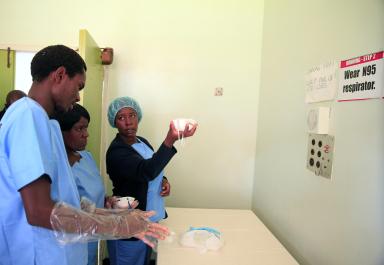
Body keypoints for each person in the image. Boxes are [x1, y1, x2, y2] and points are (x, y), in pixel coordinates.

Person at [0, 45, 169, 265]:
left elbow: (63, 199)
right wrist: (118, 226)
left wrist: (116, 216)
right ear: (60, 75)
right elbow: (40, 211)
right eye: (78, 86)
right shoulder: (28, 116)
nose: (78, 97)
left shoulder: (46, 123)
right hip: (38, 255)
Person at [106, 96, 197, 265]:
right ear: (114, 122)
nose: (128, 122)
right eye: (121, 117)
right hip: (129, 224)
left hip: (150, 220)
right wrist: (170, 139)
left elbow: (154, 166)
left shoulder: (143, 142)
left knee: (143, 260)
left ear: (138, 116)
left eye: (132, 115)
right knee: (129, 260)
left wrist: (164, 181)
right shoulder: (117, 151)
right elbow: (146, 171)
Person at [54, 103, 106, 265]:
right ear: (61, 132)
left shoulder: (86, 157)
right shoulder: (58, 167)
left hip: (92, 236)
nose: (86, 134)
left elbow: (92, 194)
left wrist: (108, 200)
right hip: (70, 241)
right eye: (79, 129)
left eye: (86, 128)